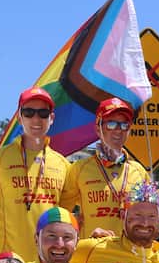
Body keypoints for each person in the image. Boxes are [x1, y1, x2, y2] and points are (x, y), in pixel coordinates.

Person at [0, 87, 74, 263]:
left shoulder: (63, 165)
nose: (36, 119)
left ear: (52, 118)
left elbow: (67, 222)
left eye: (43, 113)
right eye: (28, 112)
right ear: (19, 117)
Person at [61, 97, 151, 238]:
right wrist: (75, 224)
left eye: (124, 124)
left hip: (130, 254)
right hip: (94, 253)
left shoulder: (139, 171)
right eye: (111, 124)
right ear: (98, 128)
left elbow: (152, 217)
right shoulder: (79, 169)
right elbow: (62, 213)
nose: (118, 130)